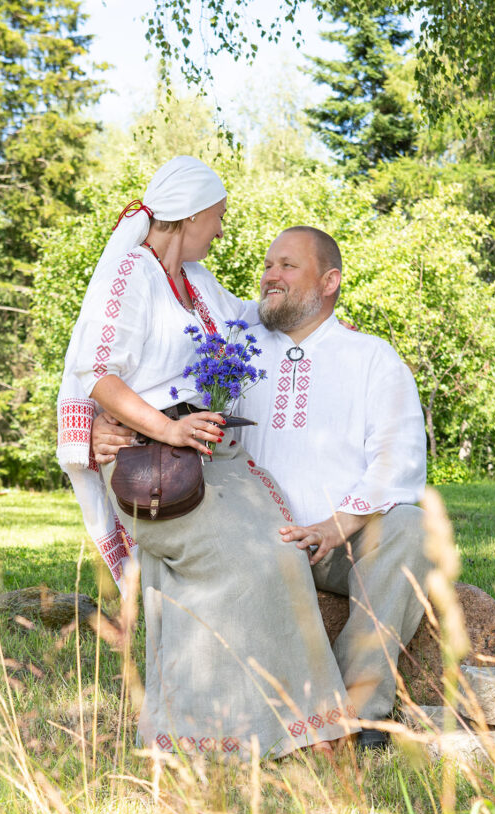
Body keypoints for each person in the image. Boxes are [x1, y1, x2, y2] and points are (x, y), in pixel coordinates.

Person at [58, 157, 358, 759]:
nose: (220, 231)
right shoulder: (130, 274)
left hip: (206, 452)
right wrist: (165, 432)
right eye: (217, 218)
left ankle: (299, 725)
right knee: (247, 562)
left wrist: (316, 312)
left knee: (282, 550)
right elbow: (97, 374)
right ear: (191, 213)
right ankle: (224, 734)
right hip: (152, 464)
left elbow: (254, 319)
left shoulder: (196, 283)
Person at [93, 225, 430, 747]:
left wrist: (336, 526)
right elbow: (153, 389)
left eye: (288, 266)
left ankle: (359, 713)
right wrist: (106, 423)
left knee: (410, 527)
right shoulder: (231, 356)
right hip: (251, 542)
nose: (270, 276)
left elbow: (398, 460)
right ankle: (293, 718)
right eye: (268, 266)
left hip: (338, 541)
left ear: (330, 282)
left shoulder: (372, 360)